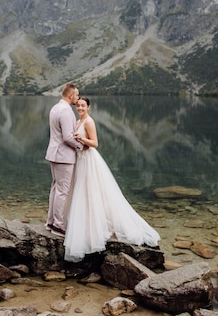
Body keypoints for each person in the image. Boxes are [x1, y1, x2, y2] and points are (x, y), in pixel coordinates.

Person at [64, 96, 160, 262]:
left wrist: (81, 139)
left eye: (83, 106)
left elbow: (94, 143)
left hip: (89, 160)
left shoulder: (89, 122)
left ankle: (94, 226)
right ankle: (85, 223)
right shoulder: (79, 121)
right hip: (81, 159)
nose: (79, 108)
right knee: (82, 191)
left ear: (89, 107)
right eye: (78, 105)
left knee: (91, 190)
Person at [45, 83, 81, 237]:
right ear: (70, 95)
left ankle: (50, 221)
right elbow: (67, 137)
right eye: (77, 95)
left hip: (54, 153)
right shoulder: (66, 111)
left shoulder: (55, 108)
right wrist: (81, 146)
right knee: (62, 191)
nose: (78, 98)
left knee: (55, 188)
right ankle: (58, 225)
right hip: (64, 156)